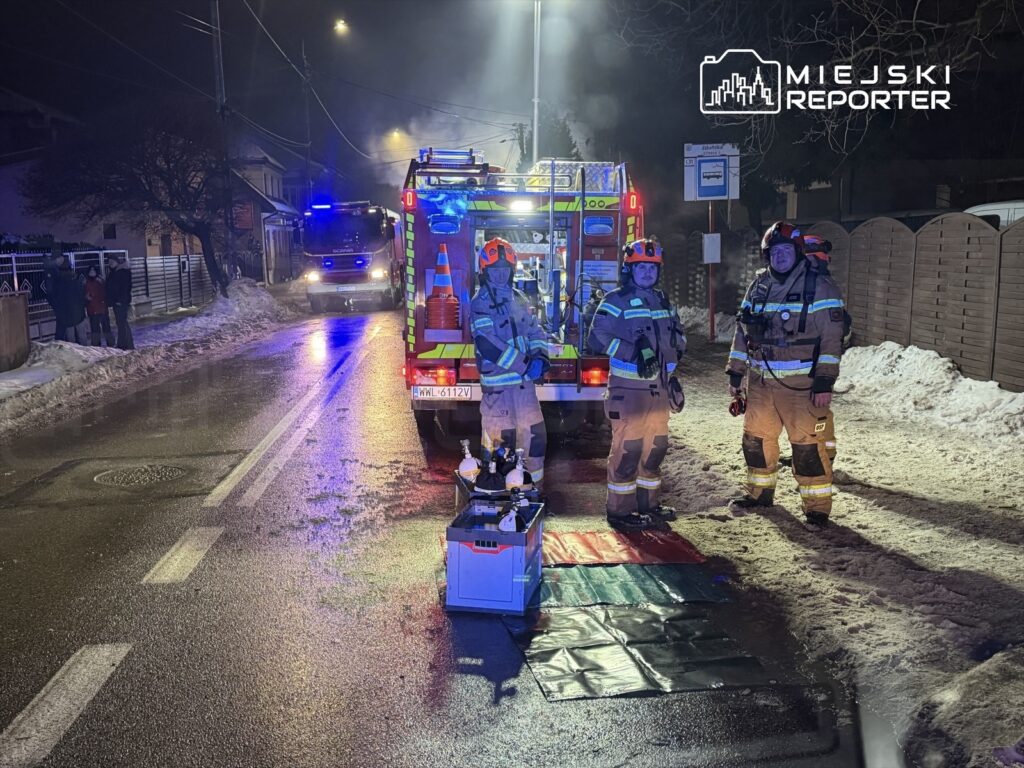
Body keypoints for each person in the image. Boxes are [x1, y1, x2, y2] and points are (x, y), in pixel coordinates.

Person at [727, 221, 847, 525]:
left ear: (797, 252)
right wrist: (735, 373)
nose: (780, 256)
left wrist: (824, 381)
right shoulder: (758, 286)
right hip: (761, 385)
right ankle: (759, 493)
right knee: (755, 441)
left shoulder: (818, 286)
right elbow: (742, 331)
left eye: (786, 251)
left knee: (806, 448)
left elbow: (832, 340)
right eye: (775, 251)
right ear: (768, 255)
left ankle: (817, 508)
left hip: (802, 387)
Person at [587, 237, 687, 531]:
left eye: (652, 268)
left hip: (659, 391)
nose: (647, 273)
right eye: (641, 267)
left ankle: (649, 506)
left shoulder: (663, 300)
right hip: (627, 392)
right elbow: (597, 338)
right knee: (628, 451)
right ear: (629, 269)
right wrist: (632, 353)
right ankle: (620, 512)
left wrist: (673, 371)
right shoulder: (614, 301)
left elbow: (678, 336)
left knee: (655, 449)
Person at [470, 238, 550, 488]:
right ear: (485, 272)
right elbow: (488, 345)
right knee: (500, 448)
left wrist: (541, 356)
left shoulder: (520, 298)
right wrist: (526, 365)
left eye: (506, 269)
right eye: (495, 270)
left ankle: (531, 494)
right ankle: (499, 499)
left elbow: (536, 332)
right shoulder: (480, 302)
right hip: (499, 394)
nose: (501, 275)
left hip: (525, 391)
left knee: (534, 442)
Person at [45, 254, 86, 343]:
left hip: (67, 311)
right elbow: (80, 294)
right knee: (78, 336)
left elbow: (52, 294)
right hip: (73, 310)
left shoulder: (59, 279)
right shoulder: (70, 278)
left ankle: (73, 353)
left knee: (71, 337)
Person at [105, 254, 135, 350]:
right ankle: (125, 344)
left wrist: (120, 300)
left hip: (120, 302)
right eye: (109, 262)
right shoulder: (113, 273)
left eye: (112, 261)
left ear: (117, 262)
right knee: (121, 322)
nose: (110, 263)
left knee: (122, 322)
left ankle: (124, 345)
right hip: (116, 302)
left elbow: (125, 288)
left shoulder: (122, 272)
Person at [84, 265, 116, 347]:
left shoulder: (100, 281)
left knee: (106, 328)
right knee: (95, 330)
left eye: (93, 270)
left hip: (102, 309)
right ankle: (96, 346)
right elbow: (84, 296)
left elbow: (106, 293)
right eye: (90, 270)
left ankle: (111, 344)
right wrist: (86, 298)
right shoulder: (86, 282)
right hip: (93, 310)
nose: (92, 272)